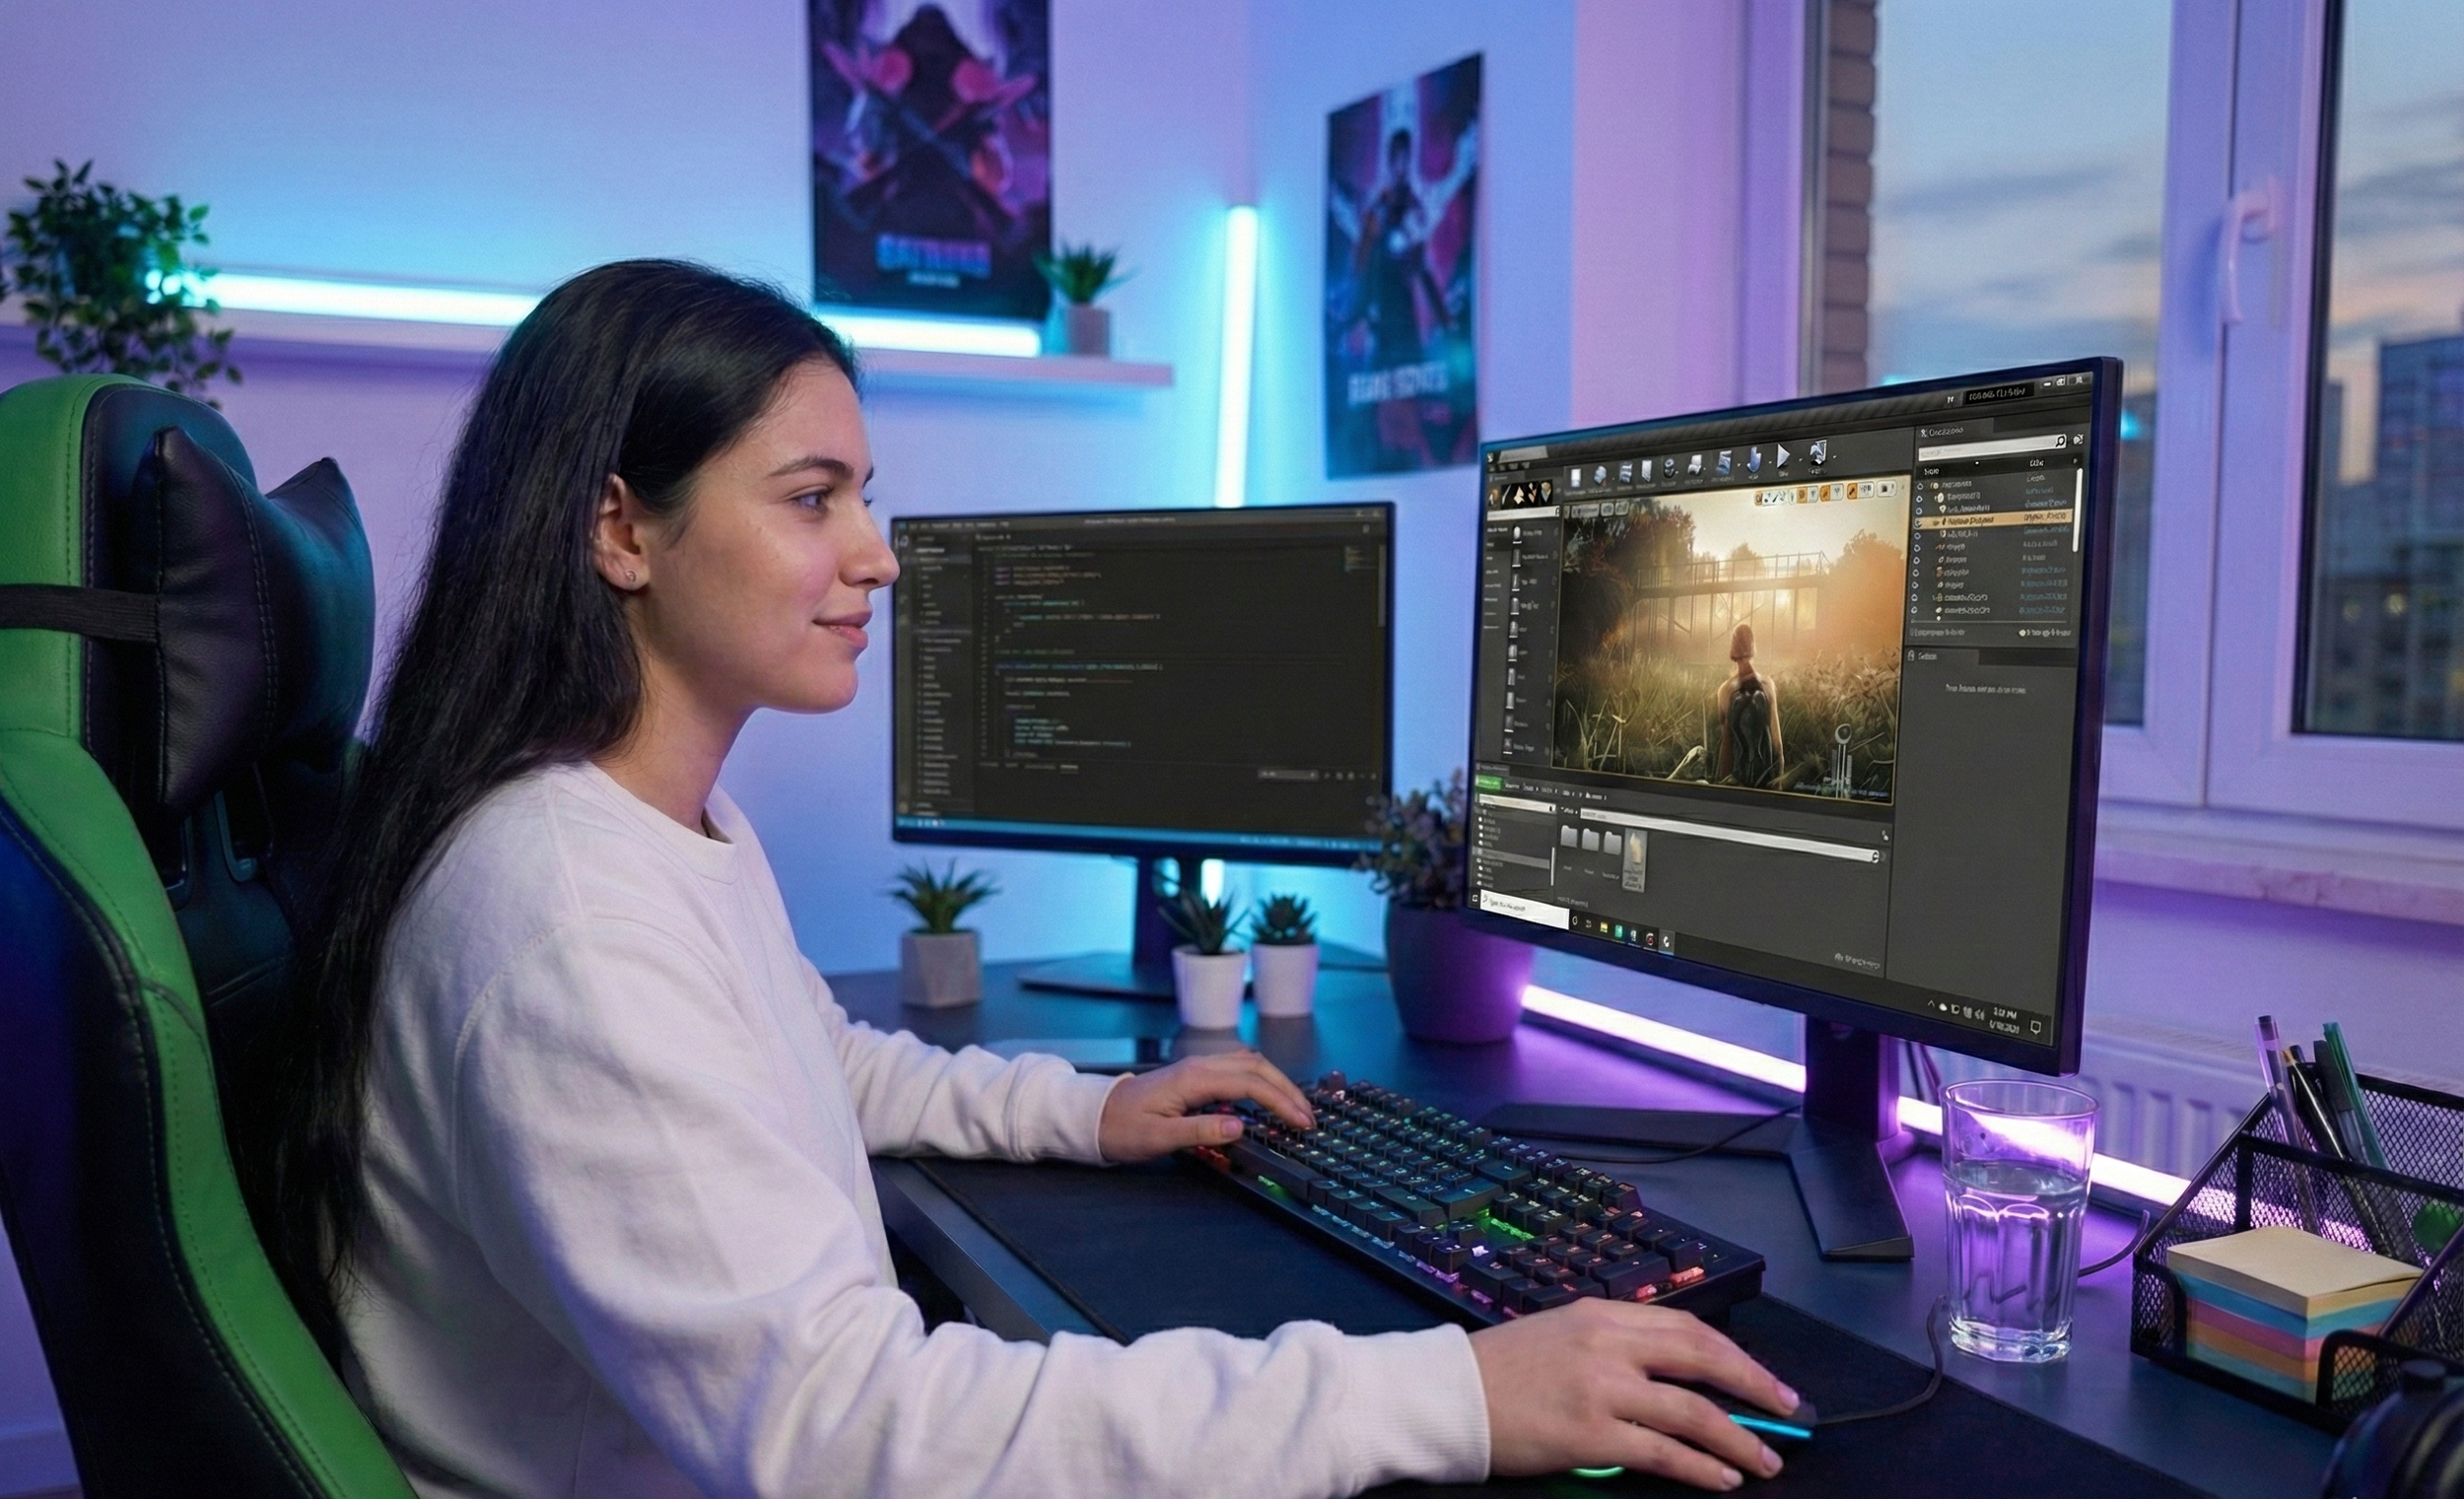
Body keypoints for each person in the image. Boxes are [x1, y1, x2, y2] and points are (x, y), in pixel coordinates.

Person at [230, 260, 1797, 1499]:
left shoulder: (631, 823)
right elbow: (847, 1435)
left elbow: (794, 1058)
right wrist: (1449, 1391)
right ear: (620, 529)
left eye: (865, 493)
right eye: (811, 496)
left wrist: (1081, 1112)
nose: (881, 554)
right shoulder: (566, 916)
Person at [1715, 624, 1786, 791]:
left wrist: (1722, 785)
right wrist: (1779, 782)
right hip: (1766, 779)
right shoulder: (1767, 686)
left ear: (1732, 651)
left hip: (1737, 782)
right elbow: (1777, 742)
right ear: (1753, 648)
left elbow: (1726, 744)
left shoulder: (1724, 691)